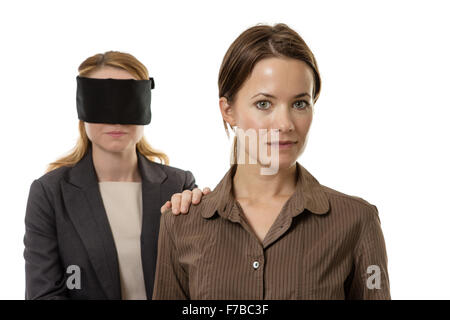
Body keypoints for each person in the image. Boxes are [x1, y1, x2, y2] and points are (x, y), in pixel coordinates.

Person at [153, 23, 391, 300]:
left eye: (299, 103)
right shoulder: (181, 224)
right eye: (264, 104)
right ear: (228, 110)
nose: (285, 123)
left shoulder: (357, 221)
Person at [23, 51, 209, 300]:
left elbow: (203, 281)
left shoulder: (179, 185)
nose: (115, 119)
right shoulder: (49, 194)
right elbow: (43, 293)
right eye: (100, 102)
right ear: (82, 108)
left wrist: (211, 215)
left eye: (126, 101)